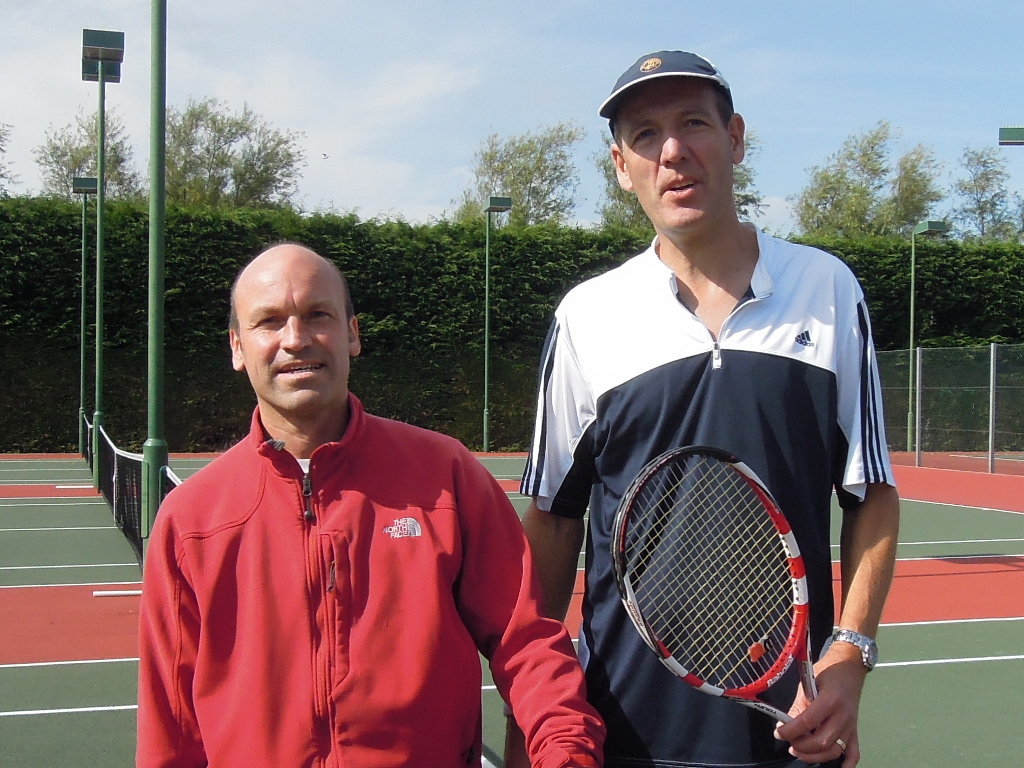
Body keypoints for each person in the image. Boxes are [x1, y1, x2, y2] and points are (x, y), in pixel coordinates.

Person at [506, 51, 899, 768]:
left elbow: (870, 493)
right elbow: (555, 522)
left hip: (794, 730)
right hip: (622, 727)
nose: (674, 152)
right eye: (646, 134)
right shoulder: (586, 317)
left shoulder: (828, 289)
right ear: (622, 165)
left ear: (736, 138)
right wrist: (528, 712)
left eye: (694, 123)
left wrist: (850, 651)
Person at [136, 243, 605, 768]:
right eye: (269, 322)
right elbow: (169, 730)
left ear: (352, 333)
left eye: (318, 315)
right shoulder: (189, 520)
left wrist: (567, 752)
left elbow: (528, 644)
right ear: (237, 347)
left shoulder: (445, 476)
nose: (295, 339)